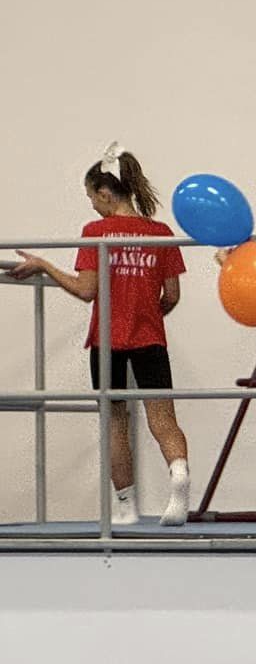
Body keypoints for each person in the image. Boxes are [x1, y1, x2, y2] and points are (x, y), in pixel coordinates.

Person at [9, 145, 191, 525]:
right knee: (164, 420)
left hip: (108, 340)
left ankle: (126, 508)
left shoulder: (96, 232)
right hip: (150, 338)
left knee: (114, 421)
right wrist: (148, 314)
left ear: (106, 193)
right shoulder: (160, 233)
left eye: (92, 197)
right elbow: (172, 295)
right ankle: (179, 474)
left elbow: (86, 289)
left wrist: (45, 265)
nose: (92, 205)